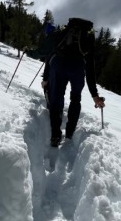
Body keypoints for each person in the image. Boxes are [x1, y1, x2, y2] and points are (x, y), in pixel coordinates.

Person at [28, 17, 105, 147]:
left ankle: (55, 135)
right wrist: (94, 95)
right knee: (76, 99)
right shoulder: (88, 38)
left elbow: (42, 51)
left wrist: (29, 52)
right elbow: (90, 66)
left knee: (56, 99)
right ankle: (69, 134)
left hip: (59, 66)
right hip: (78, 69)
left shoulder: (62, 32)